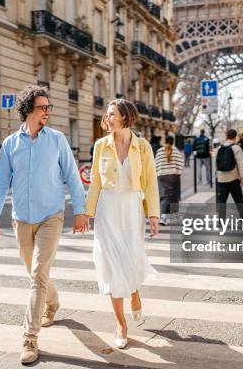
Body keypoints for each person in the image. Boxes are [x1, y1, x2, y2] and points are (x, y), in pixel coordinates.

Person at [0, 85, 89, 365]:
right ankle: (53, 302)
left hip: (51, 217)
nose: (48, 111)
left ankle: (29, 339)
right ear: (28, 110)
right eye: (43, 107)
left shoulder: (56, 139)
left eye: (49, 107)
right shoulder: (11, 144)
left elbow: (72, 175)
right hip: (21, 218)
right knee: (35, 274)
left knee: (38, 275)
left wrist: (80, 211)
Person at [85, 99, 160, 350]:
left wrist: (154, 215)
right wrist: (87, 213)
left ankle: (135, 291)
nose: (107, 119)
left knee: (131, 258)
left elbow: (150, 181)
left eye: (112, 114)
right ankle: (120, 324)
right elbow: (95, 181)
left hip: (131, 210)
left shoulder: (143, 146)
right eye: (106, 115)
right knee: (111, 265)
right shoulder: (100, 146)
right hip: (108, 210)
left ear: (126, 117)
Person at [215, 129, 243, 220]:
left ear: (226, 136)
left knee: (222, 201)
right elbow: (241, 164)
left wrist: (217, 176)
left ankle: (221, 222)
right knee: (238, 200)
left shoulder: (219, 148)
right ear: (235, 137)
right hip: (233, 179)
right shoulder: (236, 148)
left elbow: (217, 163)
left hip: (221, 179)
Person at [155, 136, 184, 226]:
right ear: (173, 142)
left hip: (162, 176)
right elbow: (180, 164)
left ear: (165, 141)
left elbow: (156, 164)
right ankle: (174, 216)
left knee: (164, 196)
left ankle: (163, 218)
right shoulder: (176, 151)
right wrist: (178, 173)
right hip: (174, 176)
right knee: (174, 196)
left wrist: (158, 173)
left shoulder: (159, 151)